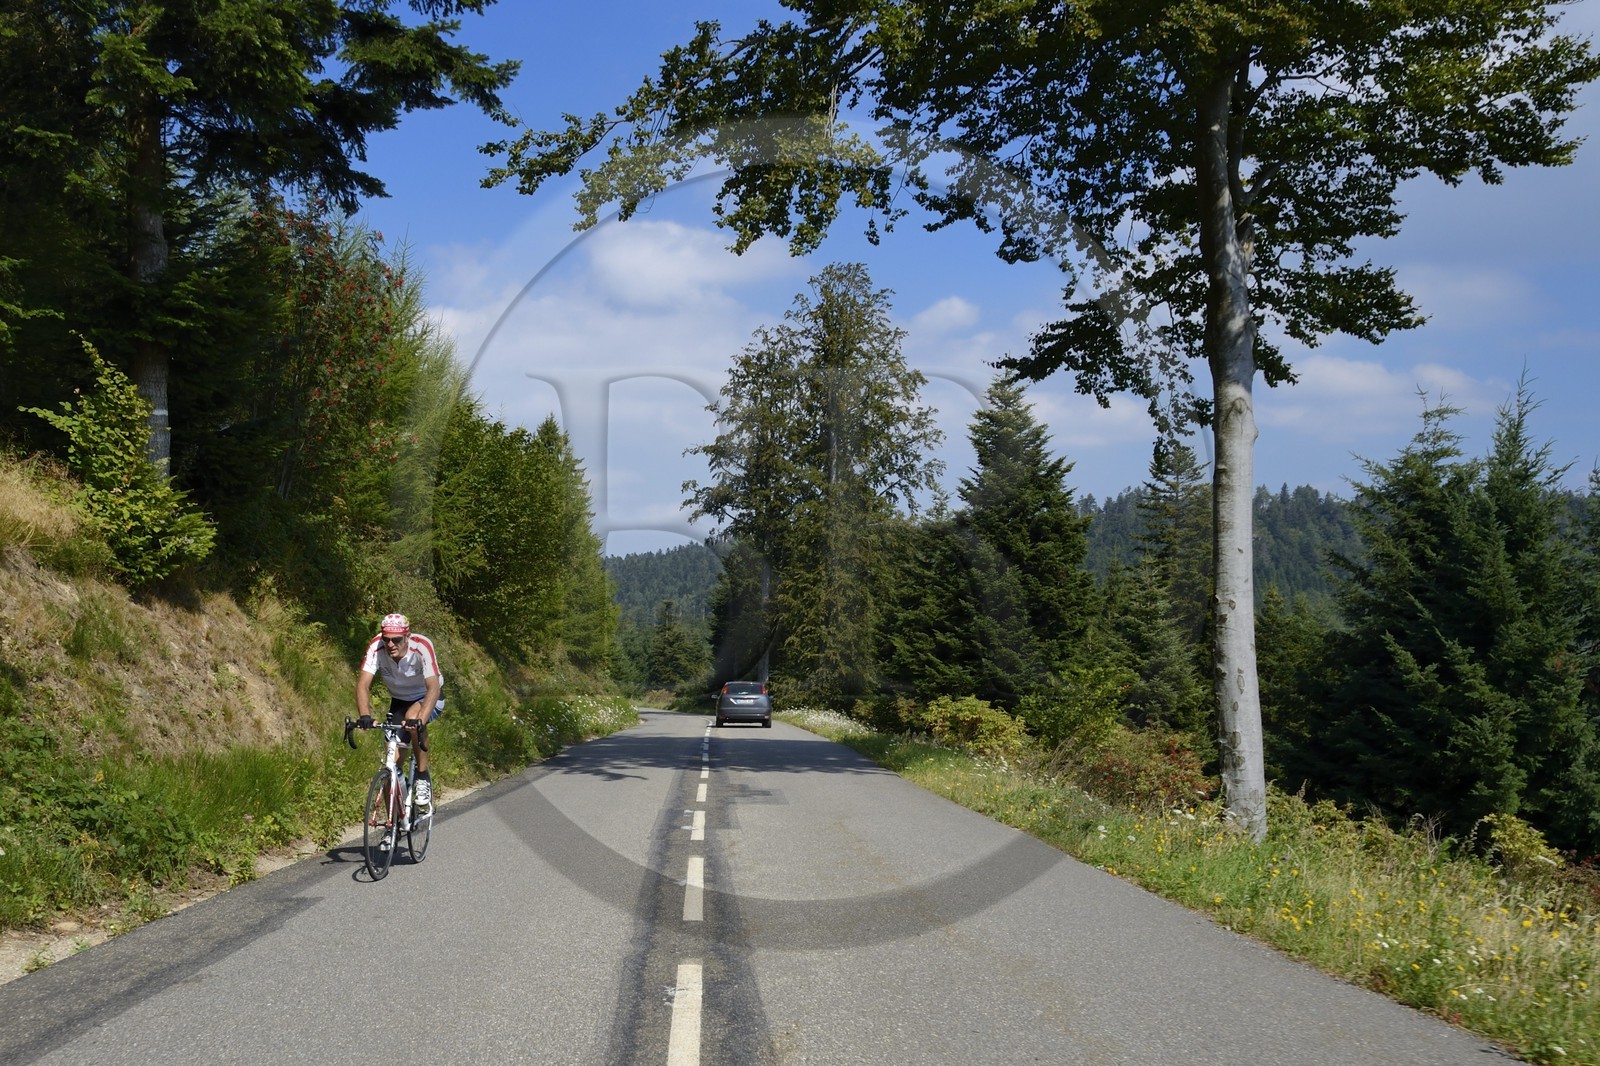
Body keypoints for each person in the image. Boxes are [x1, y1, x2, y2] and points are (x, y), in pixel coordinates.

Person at [355, 613, 444, 810]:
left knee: (413, 720)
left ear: (407, 636)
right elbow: (363, 684)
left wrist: (420, 720)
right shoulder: (377, 646)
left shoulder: (421, 646)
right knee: (391, 767)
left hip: (428, 696)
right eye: (386, 639)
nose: (390, 644)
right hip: (399, 701)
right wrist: (365, 716)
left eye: (396, 640)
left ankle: (422, 777)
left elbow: (433, 687)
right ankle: (392, 826)